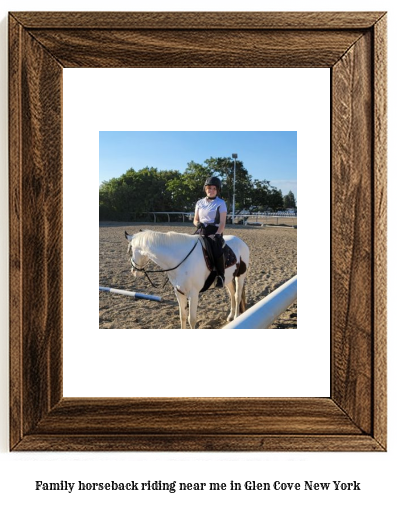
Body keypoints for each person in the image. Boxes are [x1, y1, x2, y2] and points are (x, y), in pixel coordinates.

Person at [193, 176, 227, 288]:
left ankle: (221, 276)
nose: (210, 190)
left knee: (217, 250)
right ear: (205, 189)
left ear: (217, 190)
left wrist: (217, 234)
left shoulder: (221, 203)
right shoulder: (199, 202)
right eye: (209, 188)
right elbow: (195, 219)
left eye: (213, 188)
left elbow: (222, 223)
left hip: (215, 230)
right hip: (201, 229)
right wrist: (197, 223)